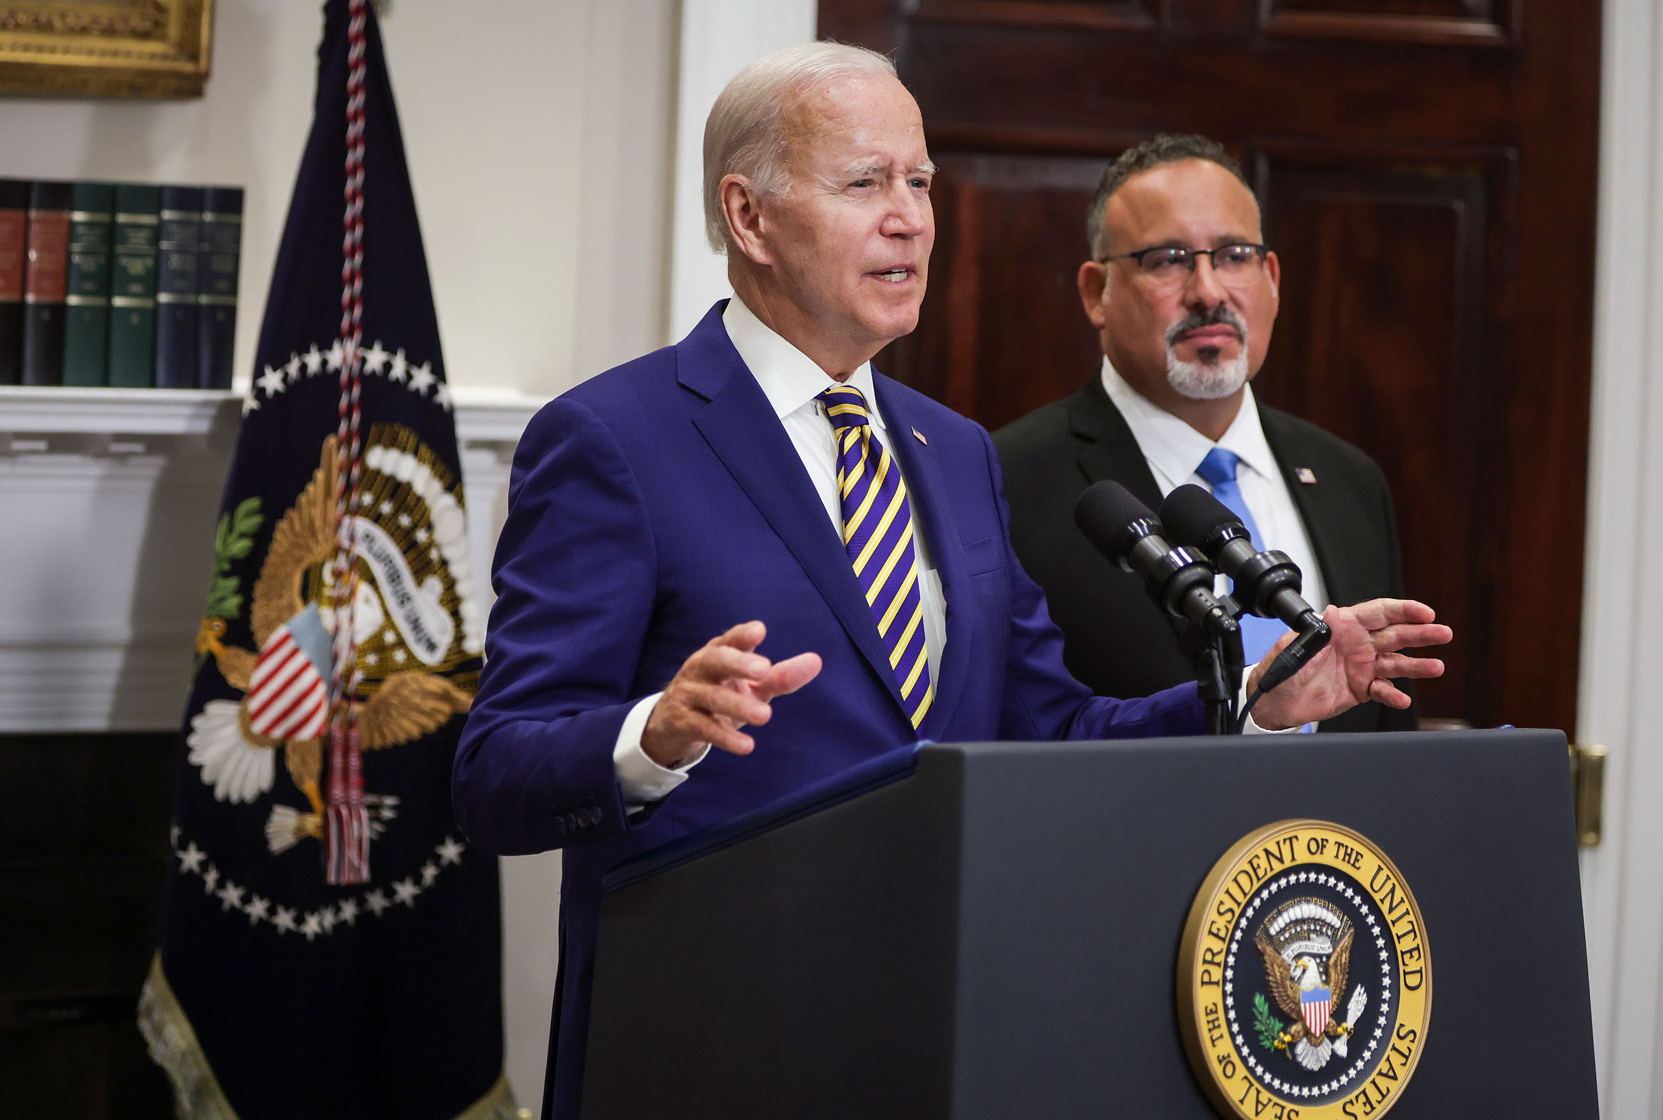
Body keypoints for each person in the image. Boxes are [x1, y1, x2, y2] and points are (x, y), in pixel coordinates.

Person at [452, 52, 1449, 1119]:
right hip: (710, 1043)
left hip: (936, 1038)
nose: (912, 220)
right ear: (748, 217)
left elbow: (1049, 727)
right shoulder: (614, 439)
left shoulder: (952, 450)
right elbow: (492, 771)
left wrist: (1251, 704)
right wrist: (652, 735)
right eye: (865, 184)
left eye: (922, 184)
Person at [995, 133, 1416, 732]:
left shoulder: (1349, 478)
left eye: (1234, 255)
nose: (1209, 292)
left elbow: (1386, 722)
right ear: (1097, 293)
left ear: (1271, 278)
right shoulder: (1010, 481)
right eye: (1167, 259)